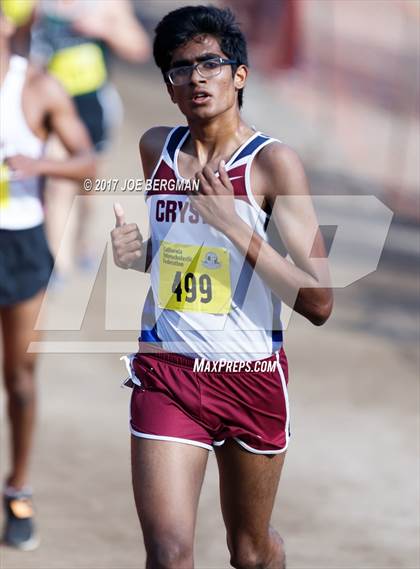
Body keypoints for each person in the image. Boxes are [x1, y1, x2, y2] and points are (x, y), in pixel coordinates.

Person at [111, 5, 333, 568]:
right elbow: (187, 260)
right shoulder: (155, 149)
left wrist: (234, 223)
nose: (195, 78)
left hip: (250, 375)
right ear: (169, 87)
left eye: (210, 63)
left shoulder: (273, 164)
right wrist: (142, 256)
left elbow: (318, 301)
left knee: (251, 552)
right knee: (168, 553)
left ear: (240, 75)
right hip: (169, 371)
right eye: (179, 69)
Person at [0, 5, 95, 550]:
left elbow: (88, 162)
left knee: (18, 377)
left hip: (19, 244)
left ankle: (19, 489)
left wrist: (39, 166)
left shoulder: (37, 87)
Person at [29, 0, 151, 278]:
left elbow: (139, 47)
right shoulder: (40, 5)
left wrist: (104, 28)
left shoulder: (108, 4)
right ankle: (58, 265)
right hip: (51, 105)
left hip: (93, 106)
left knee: (87, 188)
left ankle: (84, 240)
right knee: (57, 185)